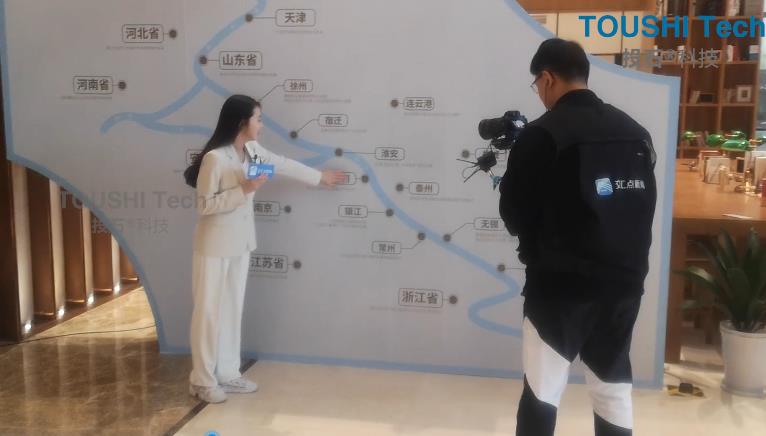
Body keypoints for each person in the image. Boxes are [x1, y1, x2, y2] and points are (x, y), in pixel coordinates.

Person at [498, 39, 658, 436]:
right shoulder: (635, 132)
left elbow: (514, 212)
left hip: (559, 288)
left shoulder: (542, 135)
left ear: (548, 78)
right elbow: (643, 207)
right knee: (612, 389)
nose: (538, 92)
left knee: (542, 392)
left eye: (537, 84)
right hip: (624, 285)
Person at [183, 95, 346, 403]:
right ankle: (202, 381)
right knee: (208, 313)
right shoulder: (215, 159)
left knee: (232, 310)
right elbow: (204, 206)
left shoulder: (254, 151)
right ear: (242, 122)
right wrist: (245, 188)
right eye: (258, 119)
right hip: (214, 246)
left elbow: (284, 164)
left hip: (241, 243)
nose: (261, 125)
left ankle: (228, 373)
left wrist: (320, 177)